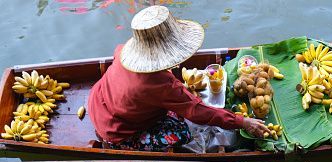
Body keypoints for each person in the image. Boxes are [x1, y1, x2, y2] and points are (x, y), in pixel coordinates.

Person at [88, 5, 268, 152]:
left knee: (175, 111)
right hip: (117, 130)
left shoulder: (122, 50)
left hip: (97, 100)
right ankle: (120, 144)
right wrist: (242, 121)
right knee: (182, 132)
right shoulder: (159, 84)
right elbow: (197, 112)